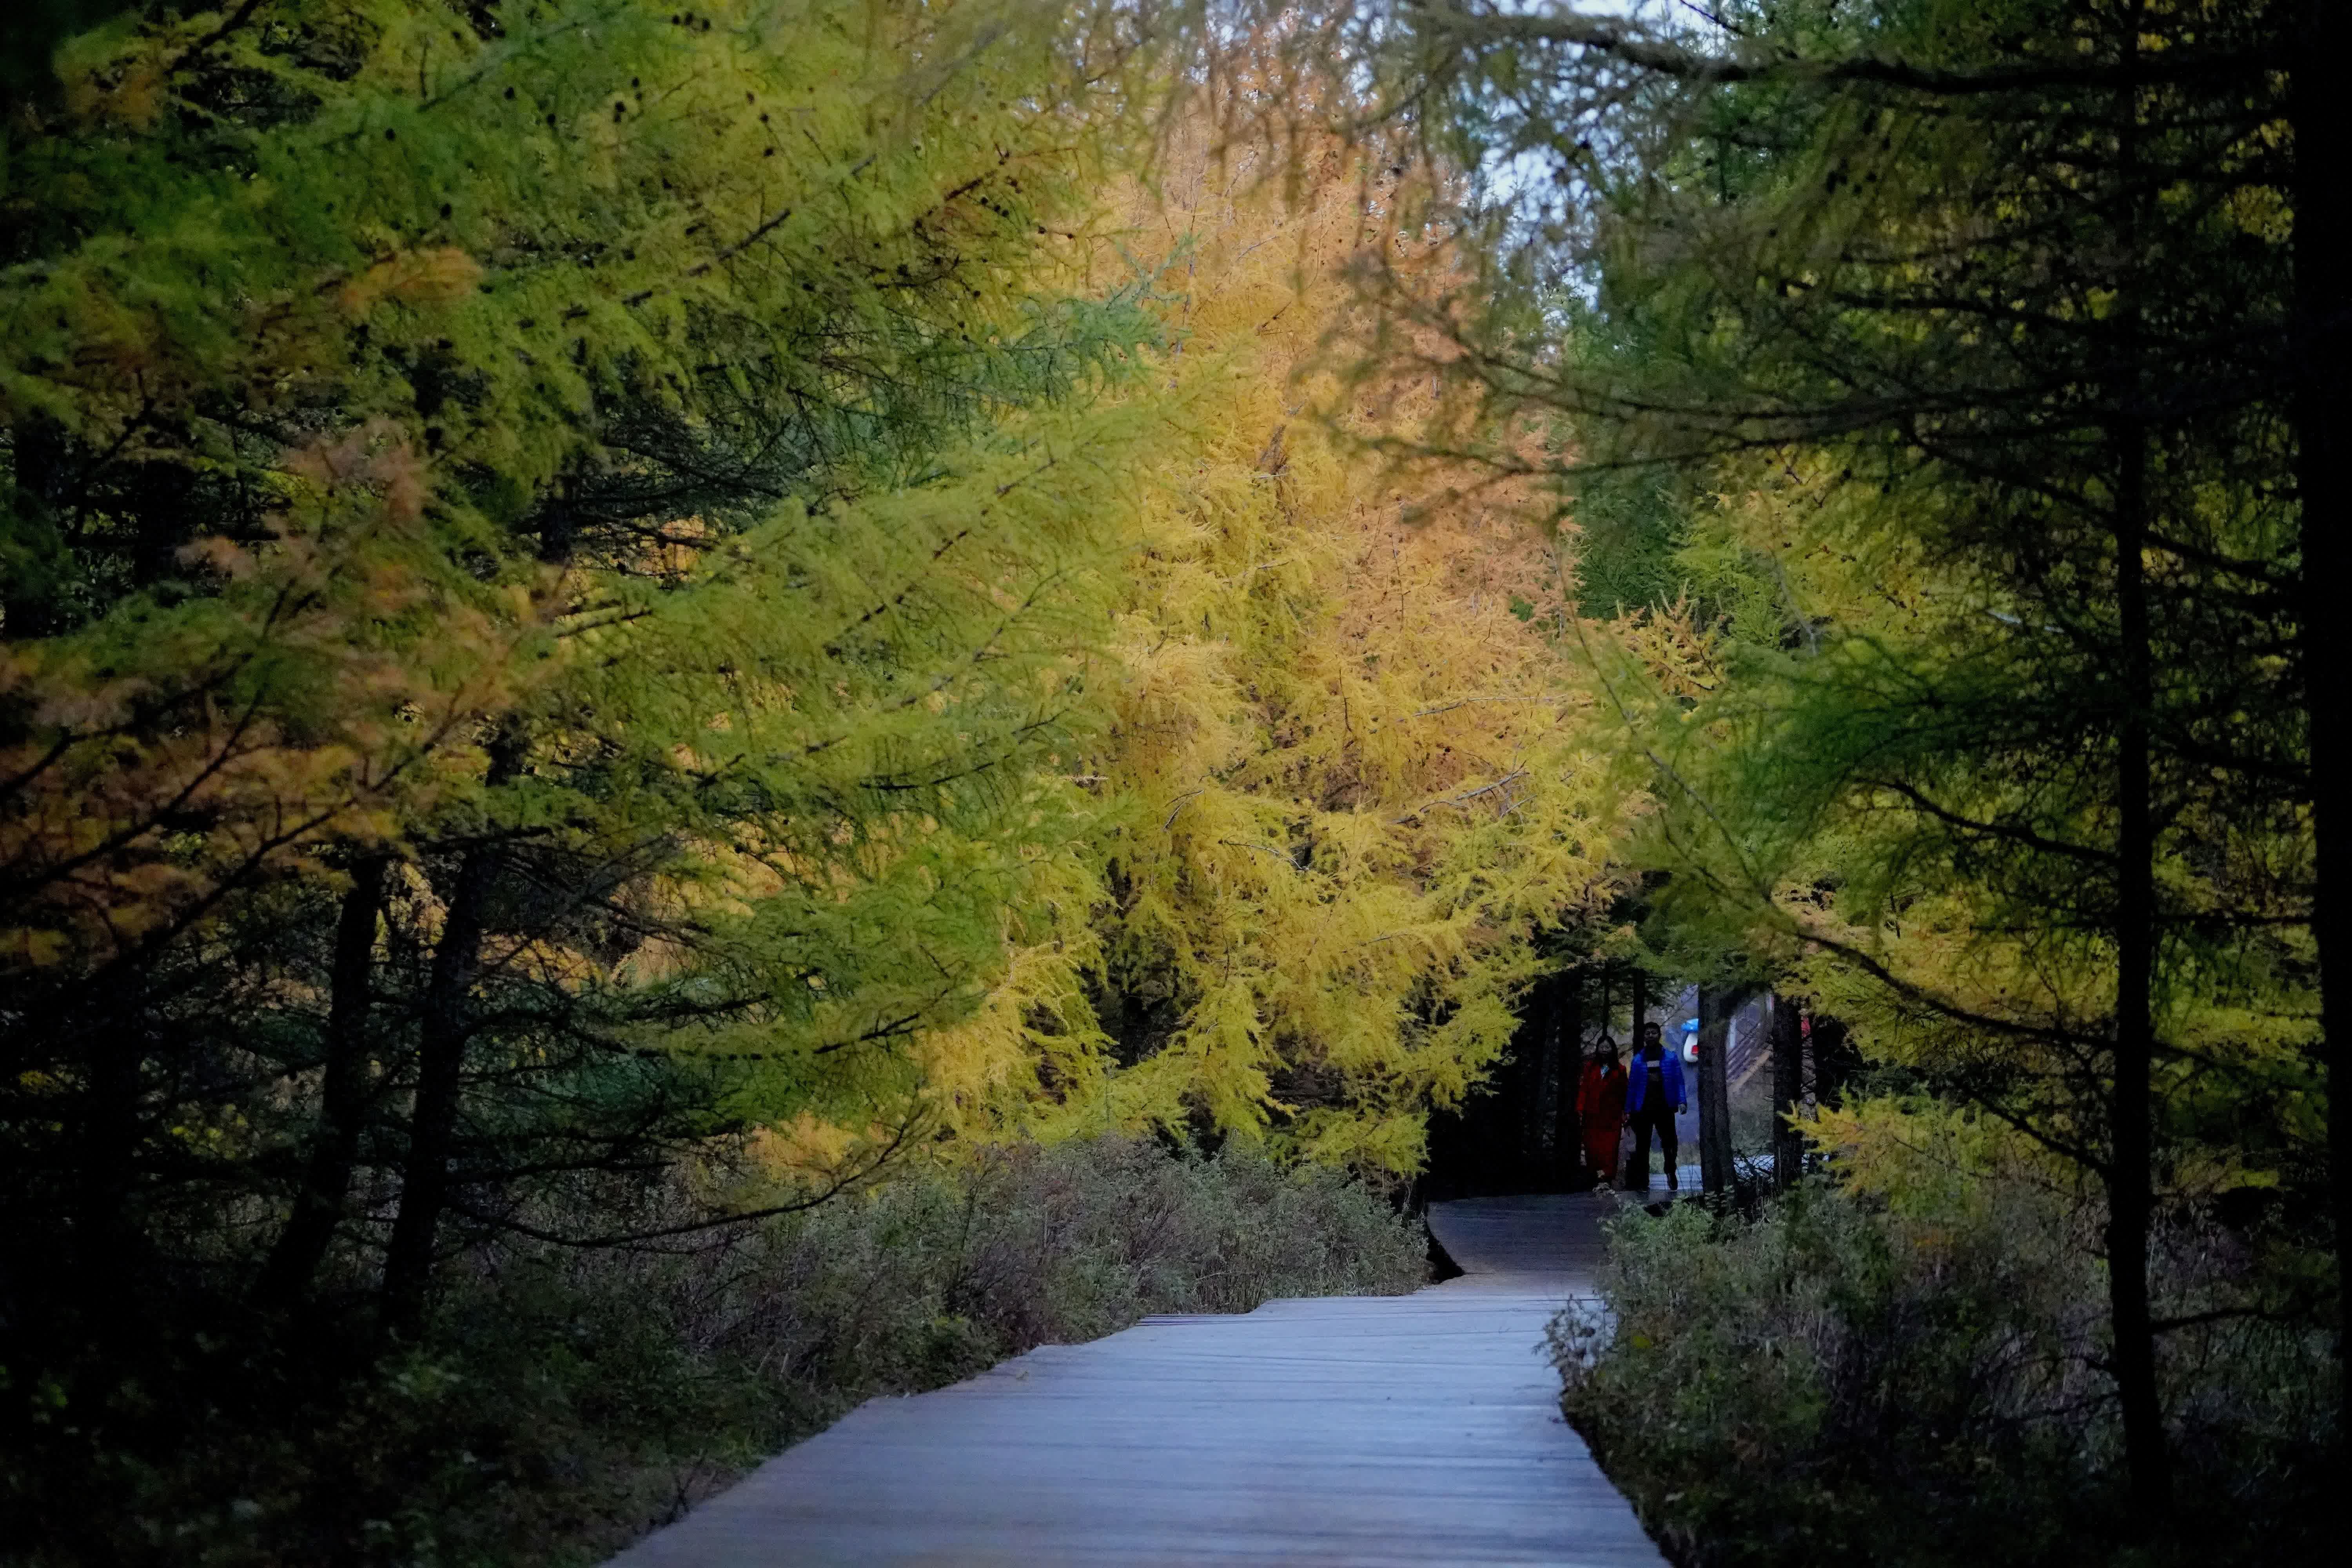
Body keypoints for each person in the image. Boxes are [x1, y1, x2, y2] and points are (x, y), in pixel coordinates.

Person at [1623, 1020, 1688, 1192]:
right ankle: (1643, 1182)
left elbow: (1679, 1081)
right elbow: (1633, 1087)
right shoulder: (1638, 1061)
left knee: (1670, 1143)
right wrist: (1628, 1110)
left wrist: (1682, 1101)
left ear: (1659, 1035)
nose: (1650, 1036)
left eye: (1654, 1032)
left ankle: (1670, 1171)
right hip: (1643, 1109)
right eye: (1647, 1033)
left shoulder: (1671, 1057)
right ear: (1643, 1037)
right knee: (1643, 1146)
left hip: (1665, 1107)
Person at [1577, 1038, 1629, 1187]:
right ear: (1598, 1049)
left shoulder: (1619, 1070)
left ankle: (1606, 1178)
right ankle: (1594, 1176)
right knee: (1592, 1147)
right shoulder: (1590, 1068)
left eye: (1608, 1047)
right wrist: (1580, 1108)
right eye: (1602, 1047)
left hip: (1611, 1116)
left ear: (1613, 1049)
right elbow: (1584, 1089)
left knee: (1609, 1149)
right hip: (1592, 1115)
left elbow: (1624, 1092)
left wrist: (1626, 1111)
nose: (1605, 1049)